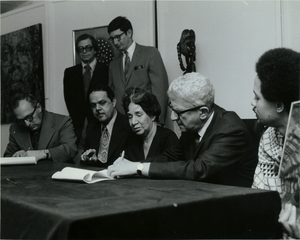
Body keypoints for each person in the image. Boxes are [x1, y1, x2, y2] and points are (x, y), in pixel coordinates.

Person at [108, 72, 258, 187]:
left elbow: (199, 169)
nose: (173, 117)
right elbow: (170, 156)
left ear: (203, 112)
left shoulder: (230, 130)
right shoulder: (191, 127)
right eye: (172, 109)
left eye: (179, 112)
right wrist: (130, 166)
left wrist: (137, 167)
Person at [251, 48, 300, 239]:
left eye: (257, 97)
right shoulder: (269, 137)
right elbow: (261, 195)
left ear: (279, 105)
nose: (252, 103)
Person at [107, 16, 169, 125]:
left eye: (118, 37)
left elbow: (160, 91)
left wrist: (158, 121)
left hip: (146, 120)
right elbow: (112, 95)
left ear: (129, 33)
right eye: (112, 39)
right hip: (122, 124)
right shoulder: (113, 64)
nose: (115, 42)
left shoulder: (150, 53)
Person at [4, 93, 77, 162]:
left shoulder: (62, 121)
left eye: (29, 117)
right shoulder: (15, 128)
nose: (27, 124)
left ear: (38, 108)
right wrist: (16, 156)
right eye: (21, 121)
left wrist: (44, 154)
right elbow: (7, 156)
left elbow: (70, 149)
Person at [63, 34, 109, 144]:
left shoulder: (106, 70)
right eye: (81, 49)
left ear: (95, 49)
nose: (84, 51)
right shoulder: (70, 73)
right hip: (77, 125)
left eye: (88, 48)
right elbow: (68, 99)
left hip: (101, 121)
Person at [80, 86, 133, 168]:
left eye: (102, 103)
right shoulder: (91, 127)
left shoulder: (129, 125)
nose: (97, 108)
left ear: (114, 102)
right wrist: (87, 158)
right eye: (93, 105)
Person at [122, 87, 178, 161]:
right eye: (130, 116)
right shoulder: (131, 141)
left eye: (138, 115)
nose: (133, 122)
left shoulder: (168, 138)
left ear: (152, 115)